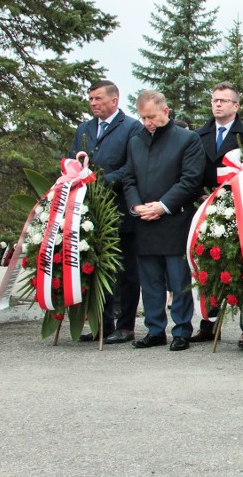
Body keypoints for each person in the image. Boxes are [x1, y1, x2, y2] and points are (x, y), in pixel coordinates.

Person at [123, 90, 205, 351]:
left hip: (174, 220)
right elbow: (129, 177)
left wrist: (162, 206)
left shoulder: (187, 139)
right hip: (144, 220)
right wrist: (136, 205)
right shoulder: (136, 142)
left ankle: (181, 329)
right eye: (143, 117)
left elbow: (190, 180)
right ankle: (154, 329)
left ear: (166, 111)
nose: (147, 122)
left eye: (151, 116)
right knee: (150, 281)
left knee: (179, 280)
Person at [68, 80, 143, 344]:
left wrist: (103, 181)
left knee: (126, 271)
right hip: (90, 213)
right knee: (98, 268)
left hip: (120, 210)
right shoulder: (84, 128)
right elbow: (71, 161)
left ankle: (125, 327)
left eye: (98, 98)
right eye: (90, 99)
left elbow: (133, 165)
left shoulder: (132, 127)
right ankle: (103, 324)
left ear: (114, 100)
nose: (93, 103)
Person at [189, 82, 243, 343]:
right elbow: (191, 170)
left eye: (224, 100)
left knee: (241, 265)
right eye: (214, 100)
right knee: (207, 262)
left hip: (238, 206)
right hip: (205, 205)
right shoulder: (199, 135)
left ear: (236, 105)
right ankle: (208, 323)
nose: (218, 104)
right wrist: (201, 194)